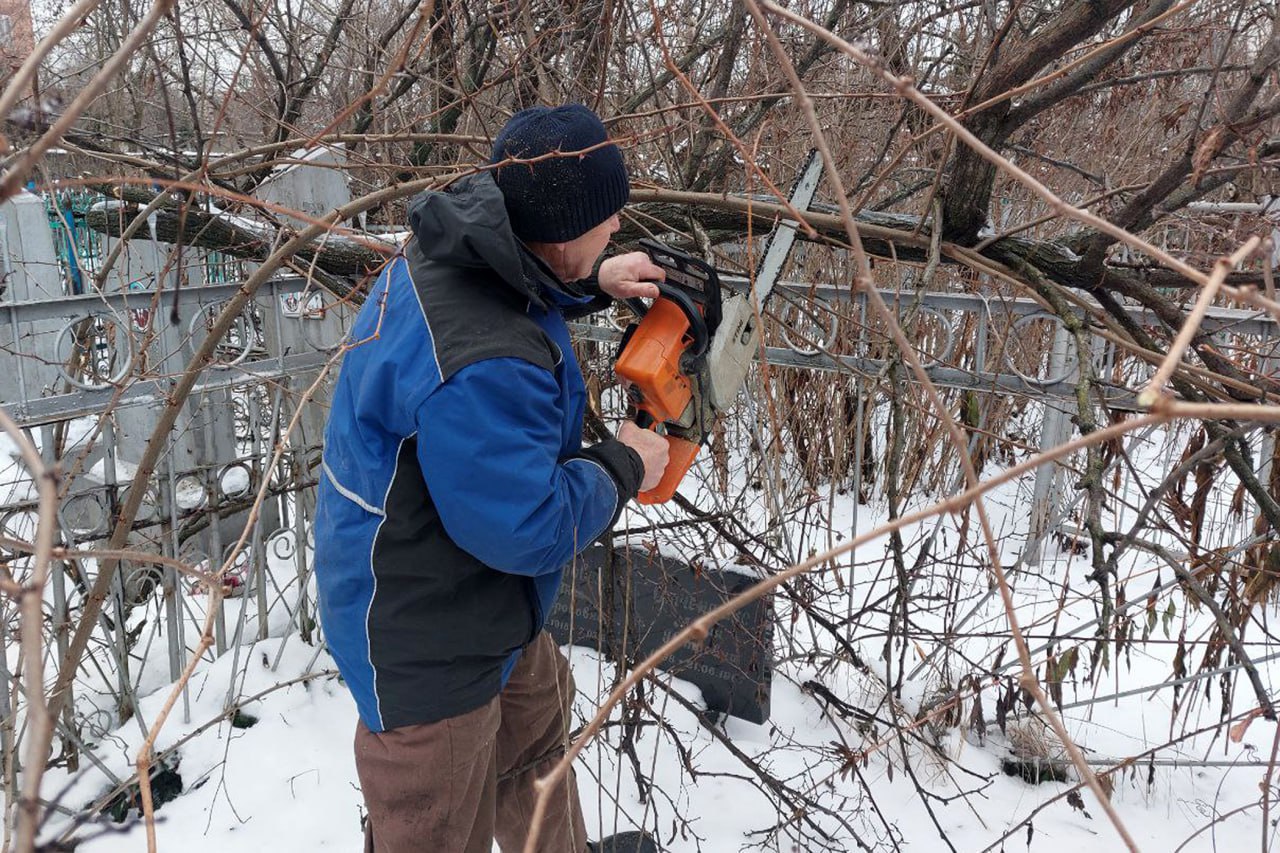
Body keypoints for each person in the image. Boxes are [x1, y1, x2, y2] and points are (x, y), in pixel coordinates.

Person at [314, 104, 669, 853]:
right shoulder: (483, 359)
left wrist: (593, 278)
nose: (617, 230)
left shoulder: (474, 242)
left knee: (539, 746)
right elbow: (526, 523)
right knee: (435, 816)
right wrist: (625, 462)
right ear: (565, 228)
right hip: (423, 634)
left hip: (487, 606)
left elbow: (517, 284)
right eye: (607, 222)